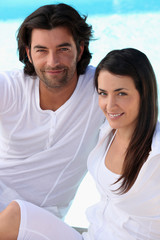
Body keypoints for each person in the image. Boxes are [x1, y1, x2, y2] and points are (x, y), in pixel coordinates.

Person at [0, 47, 159, 239]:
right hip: (91, 236)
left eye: (121, 93)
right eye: (103, 93)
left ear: (145, 93)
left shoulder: (156, 153)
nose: (110, 105)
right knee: (16, 214)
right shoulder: (107, 132)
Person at [0, 3, 105, 220]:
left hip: (42, 220)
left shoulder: (101, 90)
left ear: (80, 49)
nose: (53, 61)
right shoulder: (11, 87)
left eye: (63, 49)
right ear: (29, 53)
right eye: (42, 50)